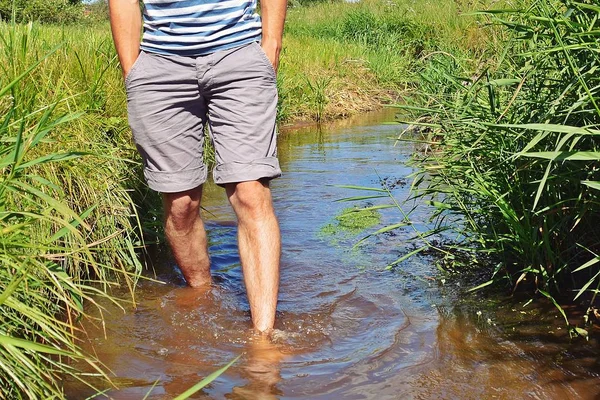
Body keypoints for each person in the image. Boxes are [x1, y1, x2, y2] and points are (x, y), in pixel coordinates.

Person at [108, 0, 286, 334]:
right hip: (159, 67)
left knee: (250, 193)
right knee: (181, 207)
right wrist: (132, 71)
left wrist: (271, 44)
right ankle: (204, 294)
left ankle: (264, 340)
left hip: (239, 58)